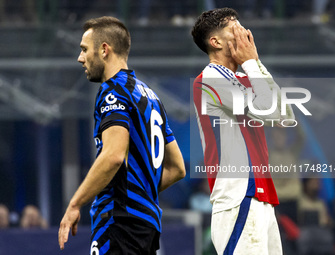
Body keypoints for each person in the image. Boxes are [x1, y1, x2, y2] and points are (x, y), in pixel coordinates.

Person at [58, 16, 186, 254]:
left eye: (84, 50)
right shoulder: (150, 96)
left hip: (120, 223)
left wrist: (75, 204)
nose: (80, 58)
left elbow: (113, 155)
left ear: (104, 50)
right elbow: (178, 167)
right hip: (147, 225)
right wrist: (140, 194)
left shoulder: (113, 92)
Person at [191, 7, 295, 255]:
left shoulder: (246, 78)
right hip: (237, 197)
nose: (244, 35)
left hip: (261, 196)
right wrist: (250, 62)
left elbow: (285, 116)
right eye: (234, 30)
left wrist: (255, 62)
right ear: (215, 42)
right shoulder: (209, 79)